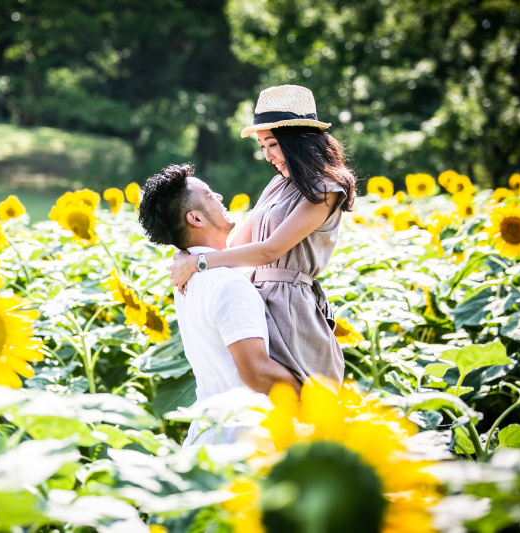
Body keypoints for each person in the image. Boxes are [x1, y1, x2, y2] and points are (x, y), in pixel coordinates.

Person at [168, 84, 357, 390]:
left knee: (302, 399)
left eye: (273, 144)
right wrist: (188, 254)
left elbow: (271, 250)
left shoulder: (326, 190)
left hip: (291, 306)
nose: (268, 155)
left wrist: (200, 262)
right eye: (262, 147)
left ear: (298, 141)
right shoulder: (276, 185)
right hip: (257, 296)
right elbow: (237, 245)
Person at [138, 163, 301, 447]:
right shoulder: (227, 284)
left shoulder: (188, 273)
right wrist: (313, 395)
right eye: (211, 195)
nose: (220, 198)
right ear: (196, 219)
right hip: (243, 441)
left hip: (209, 431)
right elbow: (257, 372)